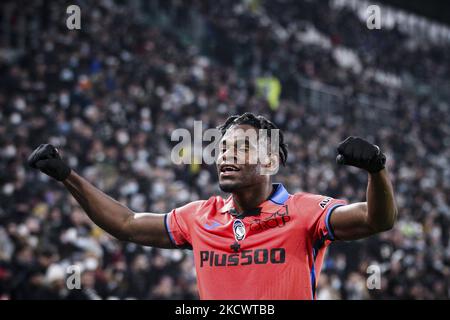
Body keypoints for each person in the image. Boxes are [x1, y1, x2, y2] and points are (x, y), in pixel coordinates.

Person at [27, 112, 397, 299]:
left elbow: (376, 219)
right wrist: (68, 177)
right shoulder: (198, 216)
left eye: (241, 148)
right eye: (222, 148)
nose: (226, 155)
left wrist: (376, 171)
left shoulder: (305, 212)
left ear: (270, 163)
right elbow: (126, 223)